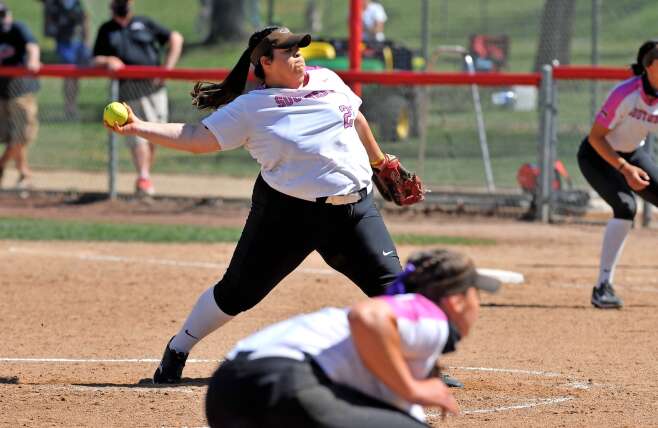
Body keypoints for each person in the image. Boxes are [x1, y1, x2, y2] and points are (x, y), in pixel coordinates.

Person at [105, 26, 417, 384]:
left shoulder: (327, 78)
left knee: (394, 288)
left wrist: (379, 161)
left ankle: (422, 366)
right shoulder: (251, 107)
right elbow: (196, 138)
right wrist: (138, 127)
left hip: (353, 213)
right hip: (287, 215)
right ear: (266, 63)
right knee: (236, 293)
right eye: (289, 52)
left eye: (299, 50)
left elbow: (356, 117)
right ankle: (178, 348)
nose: (299, 57)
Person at [205, 249, 500, 427]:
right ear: (456, 301)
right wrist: (414, 389)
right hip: (281, 382)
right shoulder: (428, 313)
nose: (478, 304)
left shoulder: (404, 331)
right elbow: (366, 316)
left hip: (226, 391)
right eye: (475, 294)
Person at [577, 39, 658, 309]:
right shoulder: (626, 94)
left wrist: (631, 165)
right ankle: (602, 287)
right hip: (597, 155)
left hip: (633, 153)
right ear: (650, 66)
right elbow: (596, 137)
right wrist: (625, 169)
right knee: (625, 206)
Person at [93, 0, 183, 196]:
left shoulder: (144, 23)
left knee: (155, 133)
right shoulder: (106, 30)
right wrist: (108, 60)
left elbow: (176, 38)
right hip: (128, 90)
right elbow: (94, 58)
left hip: (154, 88)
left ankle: (144, 176)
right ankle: (143, 176)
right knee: (137, 134)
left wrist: (167, 70)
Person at [0, 1, 41, 190]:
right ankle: (23, 172)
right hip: (2, 93)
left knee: (24, 134)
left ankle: (6, 165)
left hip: (21, 91)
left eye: (3, 15)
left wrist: (33, 60)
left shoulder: (17, 28)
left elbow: (32, 45)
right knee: (11, 136)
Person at [41, 0, 91, 119]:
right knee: (69, 76)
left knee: (75, 77)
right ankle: (70, 107)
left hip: (77, 43)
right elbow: (49, 28)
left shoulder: (75, 3)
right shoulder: (54, 5)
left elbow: (85, 18)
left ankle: (72, 105)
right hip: (64, 44)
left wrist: (86, 41)